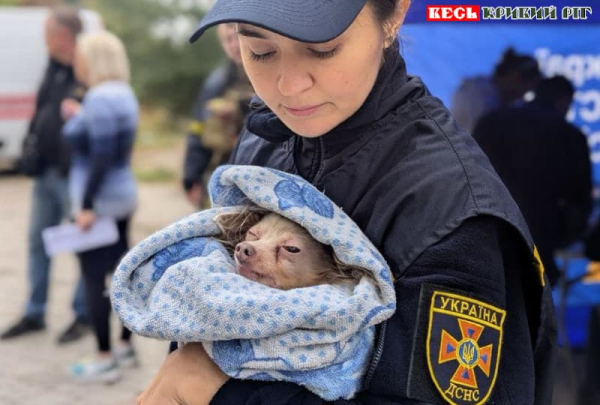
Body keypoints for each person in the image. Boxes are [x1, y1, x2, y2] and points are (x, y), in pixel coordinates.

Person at [136, 0, 557, 404]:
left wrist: (215, 388)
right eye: (260, 51)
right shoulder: (267, 135)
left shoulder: (454, 209)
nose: (289, 85)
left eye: (323, 49)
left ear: (393, 14)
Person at [0, 6, 90, 344]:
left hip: (74, 177)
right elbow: (41, 112)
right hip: (46, 173)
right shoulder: (51, 68)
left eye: (48, 34)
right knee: (38, 244)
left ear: (63, 36)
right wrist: (29, 148)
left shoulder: (86, 72)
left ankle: (83, 314)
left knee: (83, 246)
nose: (45, 41)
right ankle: (34, 312)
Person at [61, 30, 138, 383]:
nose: (75, 61)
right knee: (122, 271)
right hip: (123, 196)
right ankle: (125, 346)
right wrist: (79, 115)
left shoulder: (100, 97)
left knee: (94, 278)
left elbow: (102, 153)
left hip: (100, 202)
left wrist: (87, 204)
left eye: (80, 55)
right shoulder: (123, 94)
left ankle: (104, 357)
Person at [473, 76, 593, 286]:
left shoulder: (491, 121)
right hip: (537, 244)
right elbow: (580, 201)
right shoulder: (570, 135)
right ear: (563, 101)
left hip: (484, 234)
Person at [182, 23, 254, 208]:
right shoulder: (217, 83)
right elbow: (198, 128)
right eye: (227, 40)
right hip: (226, 173)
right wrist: (191, 176)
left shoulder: (277, 74)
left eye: (237, 37)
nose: (234, 45)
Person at [451, 47, 542, 134]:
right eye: (524, 82)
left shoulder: (502, 104)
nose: (522, 94)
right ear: (512, 74)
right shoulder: (477, 95)